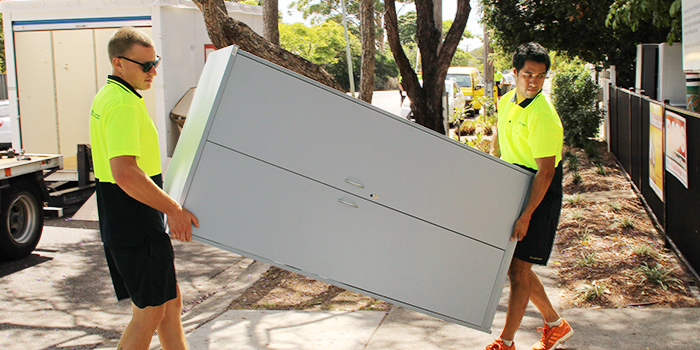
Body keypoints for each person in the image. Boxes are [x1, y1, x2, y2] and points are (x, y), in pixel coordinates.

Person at [90, 27, 199, 350]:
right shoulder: (121, 104)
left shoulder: (111, 96)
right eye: (145, 65)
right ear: (118, 63)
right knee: (150, 312)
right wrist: (173, 210)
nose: (153, 71)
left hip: (127, 215)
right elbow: (125, 173)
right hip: (133, 217)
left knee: (170, 304)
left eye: (155, 63)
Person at [486, 42, 573, 350]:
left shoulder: (544, 116)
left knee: (519, 270)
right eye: (527, 74)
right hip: (513, 185)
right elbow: (499, 135)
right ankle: (555, 324)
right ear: (514, 73)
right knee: (515, 268)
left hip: (540, 191)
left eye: (540, 75)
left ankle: (506, 342)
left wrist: (526, 215)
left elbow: (546, 173)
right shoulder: (507, 101)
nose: (534, 81)